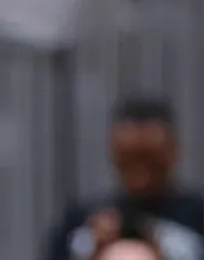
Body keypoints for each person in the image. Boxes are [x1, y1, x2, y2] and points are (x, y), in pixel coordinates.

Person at [47, 98, 204, 260]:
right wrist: (92, 249)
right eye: (128, 158)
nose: (139, 170)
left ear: (172, 151)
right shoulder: (83, 220)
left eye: (149, 158)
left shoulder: (198, 218)